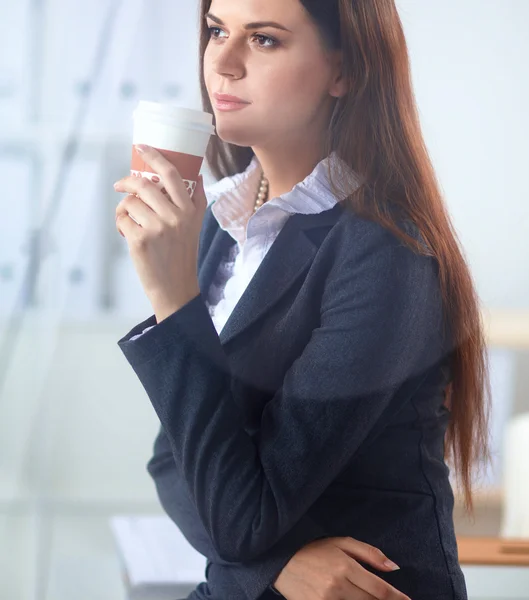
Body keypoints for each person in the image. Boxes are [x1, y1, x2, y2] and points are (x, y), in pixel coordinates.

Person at [114, 0, 491, 598]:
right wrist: (277, 564)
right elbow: (173, 460)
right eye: (217, 32)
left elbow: (242, 518)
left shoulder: (386, 256)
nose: (224, 64)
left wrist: (172, 295)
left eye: (264, 40)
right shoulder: (223, 222)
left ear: (344, 72)